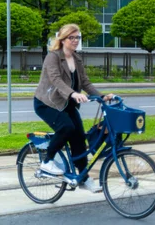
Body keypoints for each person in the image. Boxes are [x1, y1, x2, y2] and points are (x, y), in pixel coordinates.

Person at [34, 23, 113, 193]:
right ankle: (47, 162)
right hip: (47, 103)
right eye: (72, 37)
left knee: (79, 138)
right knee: (66, 127)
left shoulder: (76, 58)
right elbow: (56, 80)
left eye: (78, 37)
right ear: (62, 39)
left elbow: (85, 82)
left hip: (67, 104)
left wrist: (101, 96)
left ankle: (83, 178)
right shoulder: (53, 57)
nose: (75, 41)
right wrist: (72, 94)